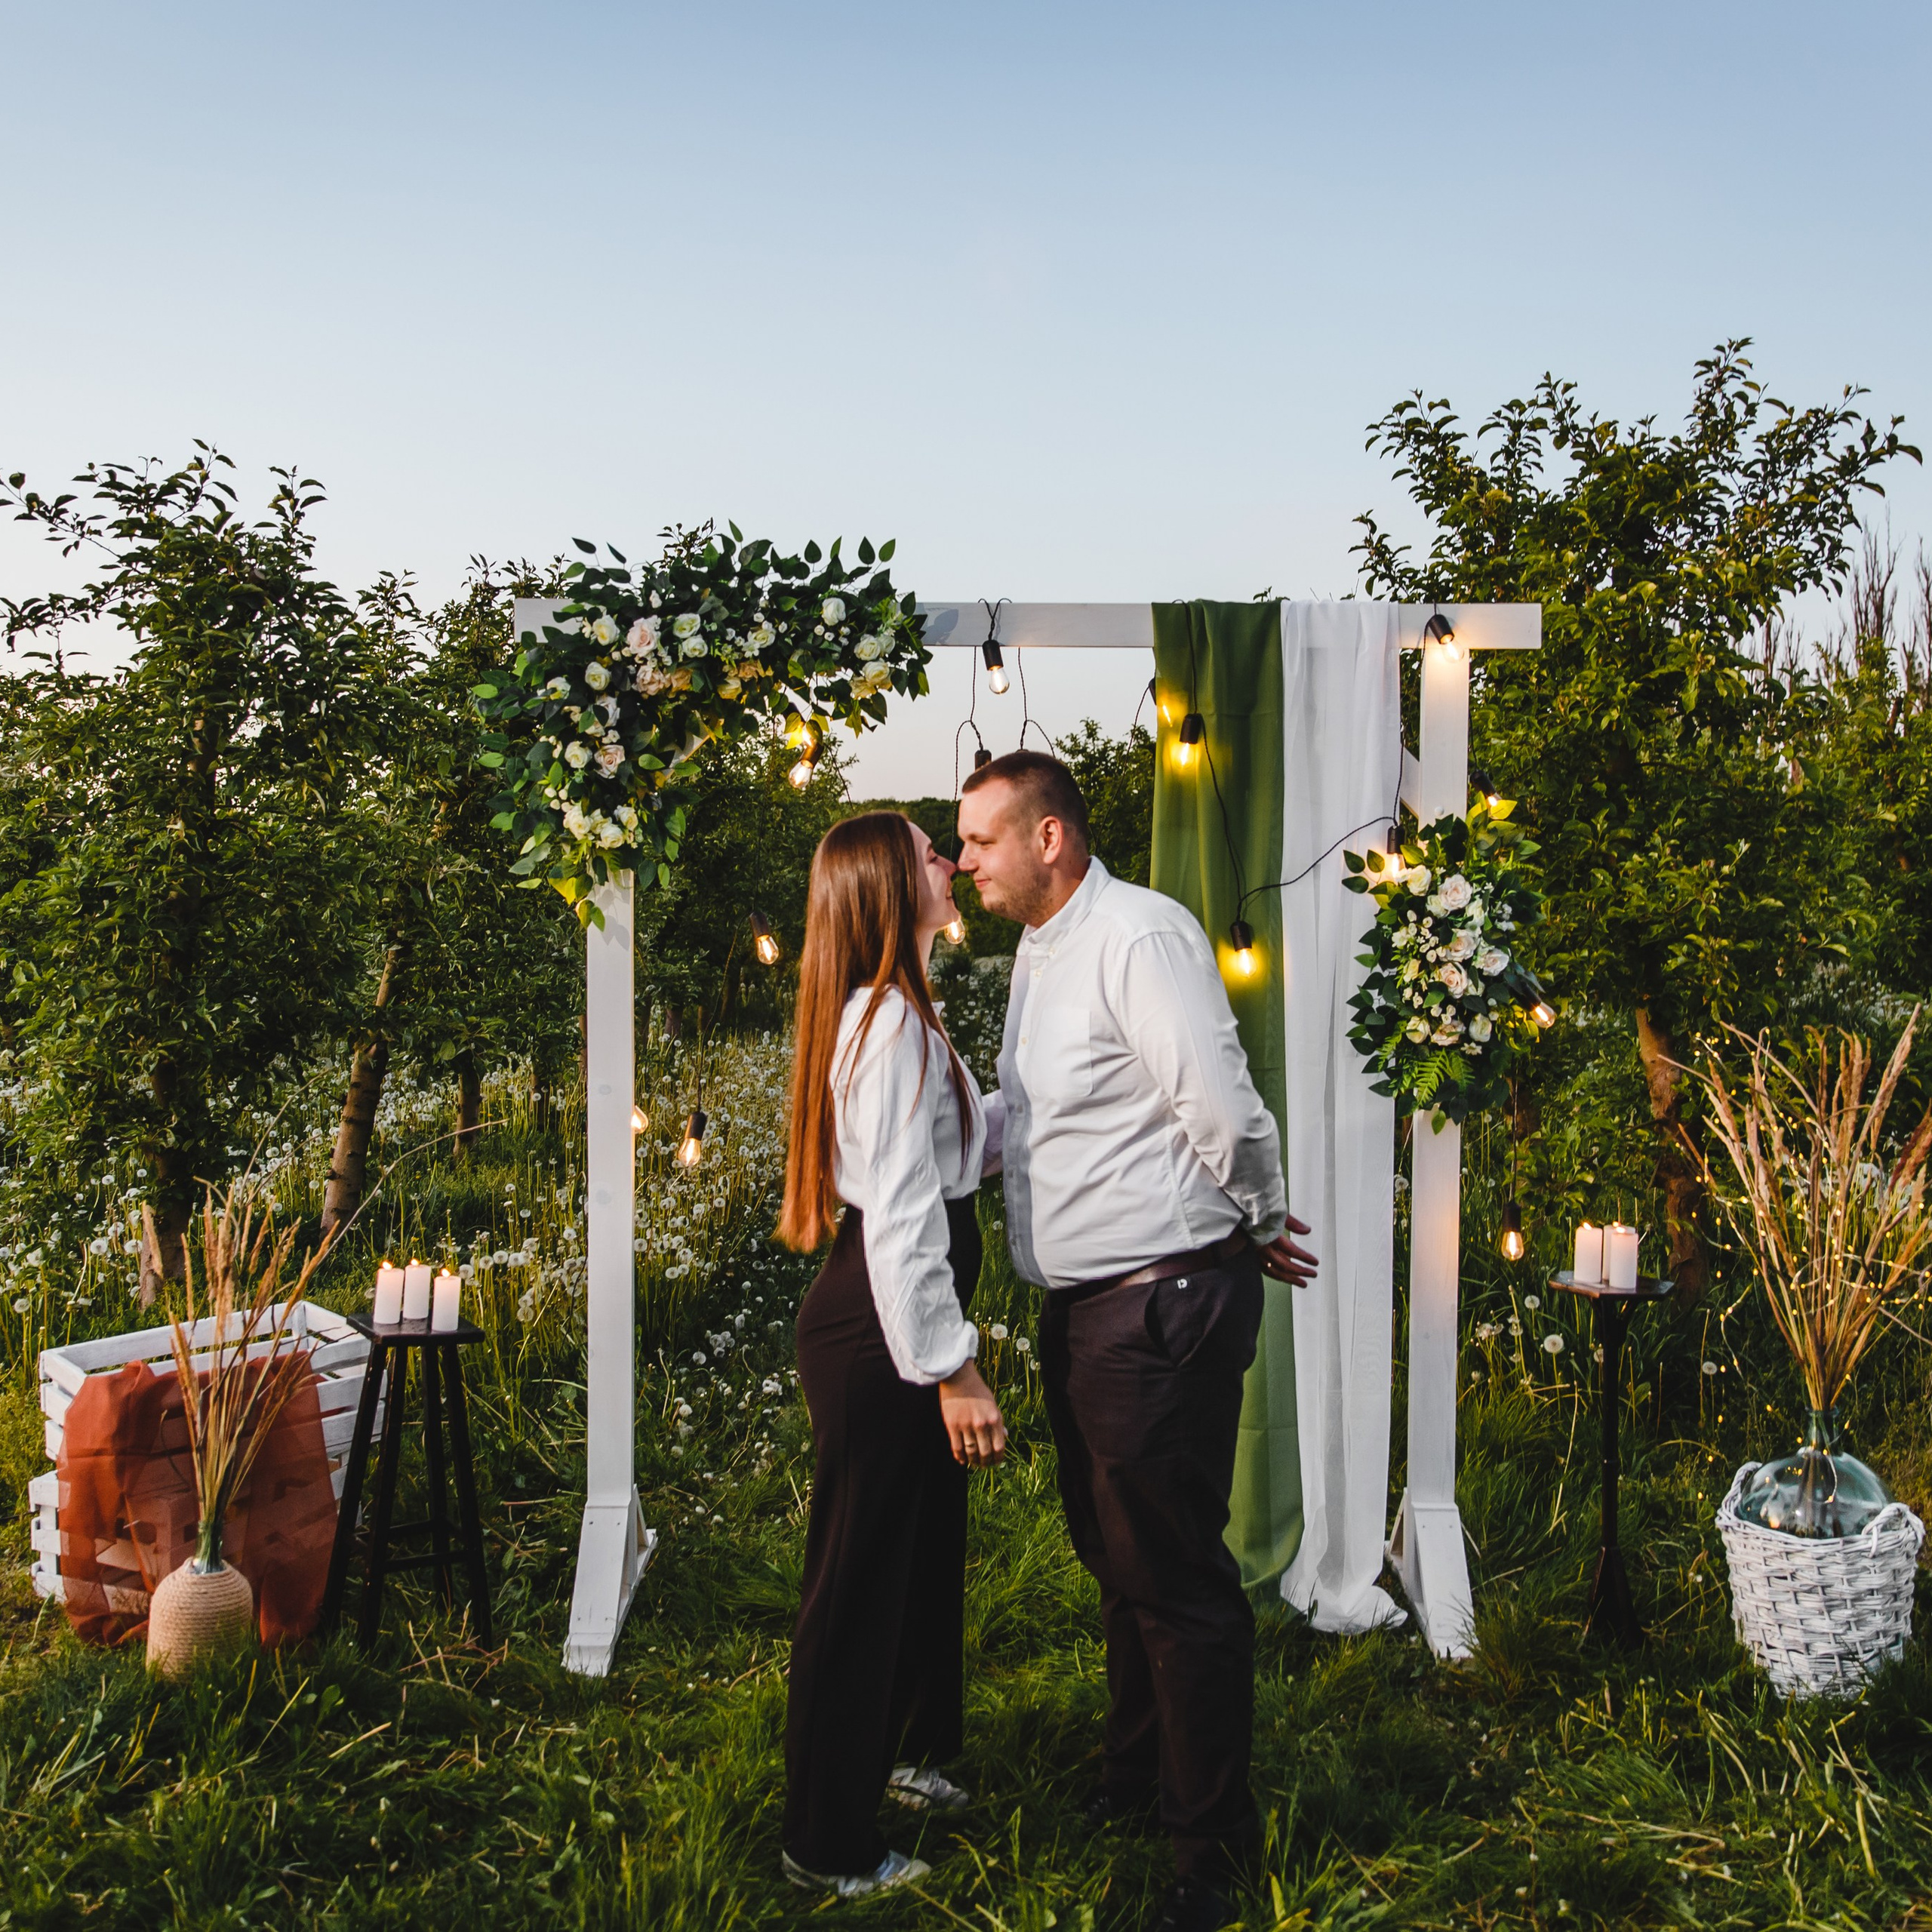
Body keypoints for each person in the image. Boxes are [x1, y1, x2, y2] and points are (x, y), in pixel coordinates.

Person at [957, 750, 1317, 1932]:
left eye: (980, 842)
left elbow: (1218, 1101)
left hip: (1158, 1304)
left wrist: (1253, 1219)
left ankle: (1209, 1857)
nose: (965, 865)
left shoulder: (1141, 935)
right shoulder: (1039, 952)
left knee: (1176, 1581)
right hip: (1091, 1309)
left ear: (1048, 836)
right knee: (1120, 1565)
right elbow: (1044, 1117)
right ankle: (1134, 1782)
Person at [775, 810, 1008, 1900]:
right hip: (880, 1324)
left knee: (918, 1550)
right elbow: (910, 1215)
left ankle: (904, 1753)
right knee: (860, 1573)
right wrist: (953, 1365)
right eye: (930, 851)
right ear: (885, 883)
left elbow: (962, 1153)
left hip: (883, 1312)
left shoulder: (902, 1014)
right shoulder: (890, 1026)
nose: (952, 862)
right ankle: (825, 1835)